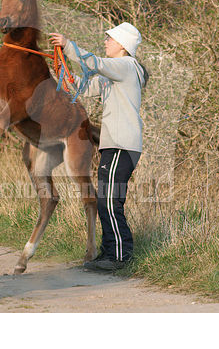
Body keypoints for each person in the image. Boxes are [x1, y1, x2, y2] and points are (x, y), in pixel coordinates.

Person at [49, 22, 148, 271]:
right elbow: (85, 87)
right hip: (115, 146)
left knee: (110, 201)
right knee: (106, 199)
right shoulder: (115, 75)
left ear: (123, 46)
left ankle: (119, 257)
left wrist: (68, 45)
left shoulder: (126, 66)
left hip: (121, 145)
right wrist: (62, 73)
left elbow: (96, 63)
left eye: (110, 39)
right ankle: (109, 254)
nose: (105, 42)